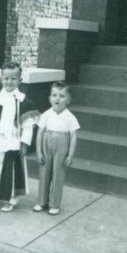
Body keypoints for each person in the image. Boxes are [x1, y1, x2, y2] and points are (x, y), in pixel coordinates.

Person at [0, 61, 39, 212]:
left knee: (10, 169)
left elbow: (27, 126)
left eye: (13, 78)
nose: (9, 81)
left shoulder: (24, 101)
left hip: (13, 141)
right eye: (6, 78)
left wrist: (25, 144)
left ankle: (10, 198)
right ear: (1, 79)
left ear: (20, 80)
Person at [34, 81, 80, 215]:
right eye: (54, 95)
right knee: (44, 172)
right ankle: (41, 201)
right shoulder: (46, 114)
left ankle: (54, 204)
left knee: (58, 174)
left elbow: (73, 137)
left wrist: (70, 155)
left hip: (62, 145)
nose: (57, 98)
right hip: (46, 144)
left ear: (68, 100)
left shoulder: (70, 117)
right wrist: (38, 151)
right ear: (49, 99)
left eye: (61, 96)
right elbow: (40, 133)